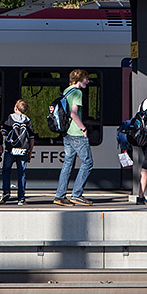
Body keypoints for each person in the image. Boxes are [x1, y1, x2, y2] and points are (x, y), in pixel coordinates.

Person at [54, 69, 94, 206]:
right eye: (86, 79)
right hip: (77, 133)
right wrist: (83, 128)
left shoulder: (66, 91)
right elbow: (73, 113)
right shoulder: (77, 92)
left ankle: (60, 195)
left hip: (66, 133)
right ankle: (76, 194)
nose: (88, 82)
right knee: (88, 162)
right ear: (80, 79)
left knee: (68, 164)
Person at [0, 100, 35, 205]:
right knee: (21, 173)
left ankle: (6, 191)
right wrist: (30, 152)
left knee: (6, 170)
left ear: (15, 107)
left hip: (10, 149)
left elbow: (4, 133)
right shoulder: (27, 120)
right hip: (23, 150)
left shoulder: (10, 118)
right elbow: (32, 138)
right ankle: (21, 197)